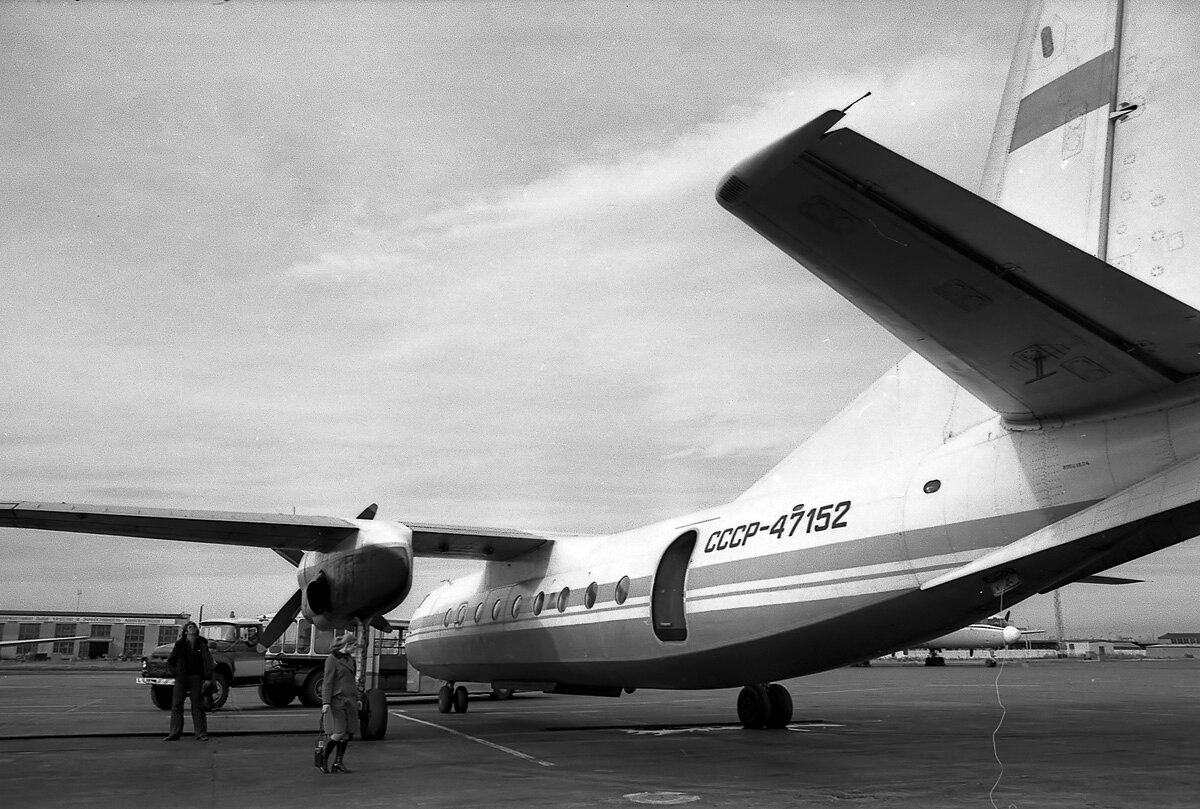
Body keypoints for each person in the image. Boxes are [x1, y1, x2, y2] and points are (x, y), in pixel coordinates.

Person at [164, 621, 215, 741]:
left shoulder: (202, 644)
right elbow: (171, 660)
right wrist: (174, 672)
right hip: (181, 678)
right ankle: (174, 733)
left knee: (197, 705)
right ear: (186, 631)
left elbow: (207, 662)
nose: (193, 629)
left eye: (194, 627)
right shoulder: (180, 645)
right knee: (176, 705)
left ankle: (201, 733)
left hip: (196, 678)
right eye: (190, 627)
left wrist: (207, 678)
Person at [319, 634, 360, 773]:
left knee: (348, 732)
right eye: (354, 645)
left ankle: (338, 762)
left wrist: (358, 698)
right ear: (347, 645)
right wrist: (326, 702)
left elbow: (351, 681)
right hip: (337, 700)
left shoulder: (349, 659)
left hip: (350, 699)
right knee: (339, 731)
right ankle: (324, 759)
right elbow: (328, 681)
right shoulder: (332, 660)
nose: (356, 647)